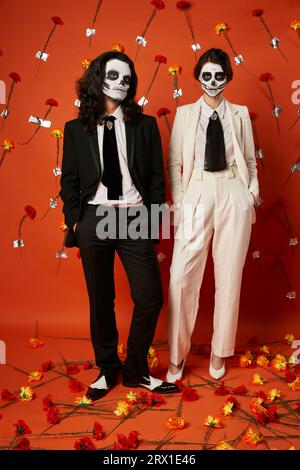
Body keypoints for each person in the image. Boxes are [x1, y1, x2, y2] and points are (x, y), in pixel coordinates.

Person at [59, 50, 179, 401]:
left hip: (135, 214)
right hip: (95, 217)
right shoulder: (75, 128)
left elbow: (157, 179)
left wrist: (154, 224)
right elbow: (68, 181)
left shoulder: (144, 126)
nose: (121, 84)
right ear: (98, 79)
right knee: (101, 299)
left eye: (127, 79)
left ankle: (136, 369)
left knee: (150, 297)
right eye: (114, 77)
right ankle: (107, 368)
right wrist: (76, 221)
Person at [166, 48, 259, 382]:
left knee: (229, 277)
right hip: (197, 191)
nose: (212, 81)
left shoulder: (240, 114)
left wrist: (250, 194)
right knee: (181, 277)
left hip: (233, 190)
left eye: (219, 75)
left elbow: (249, 159)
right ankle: (177, 355)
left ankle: (221, 351)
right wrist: (180, 200)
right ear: (198, 77)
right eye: (206, 75)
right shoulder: (185, 114)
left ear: (227, 78)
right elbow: (174, 163)